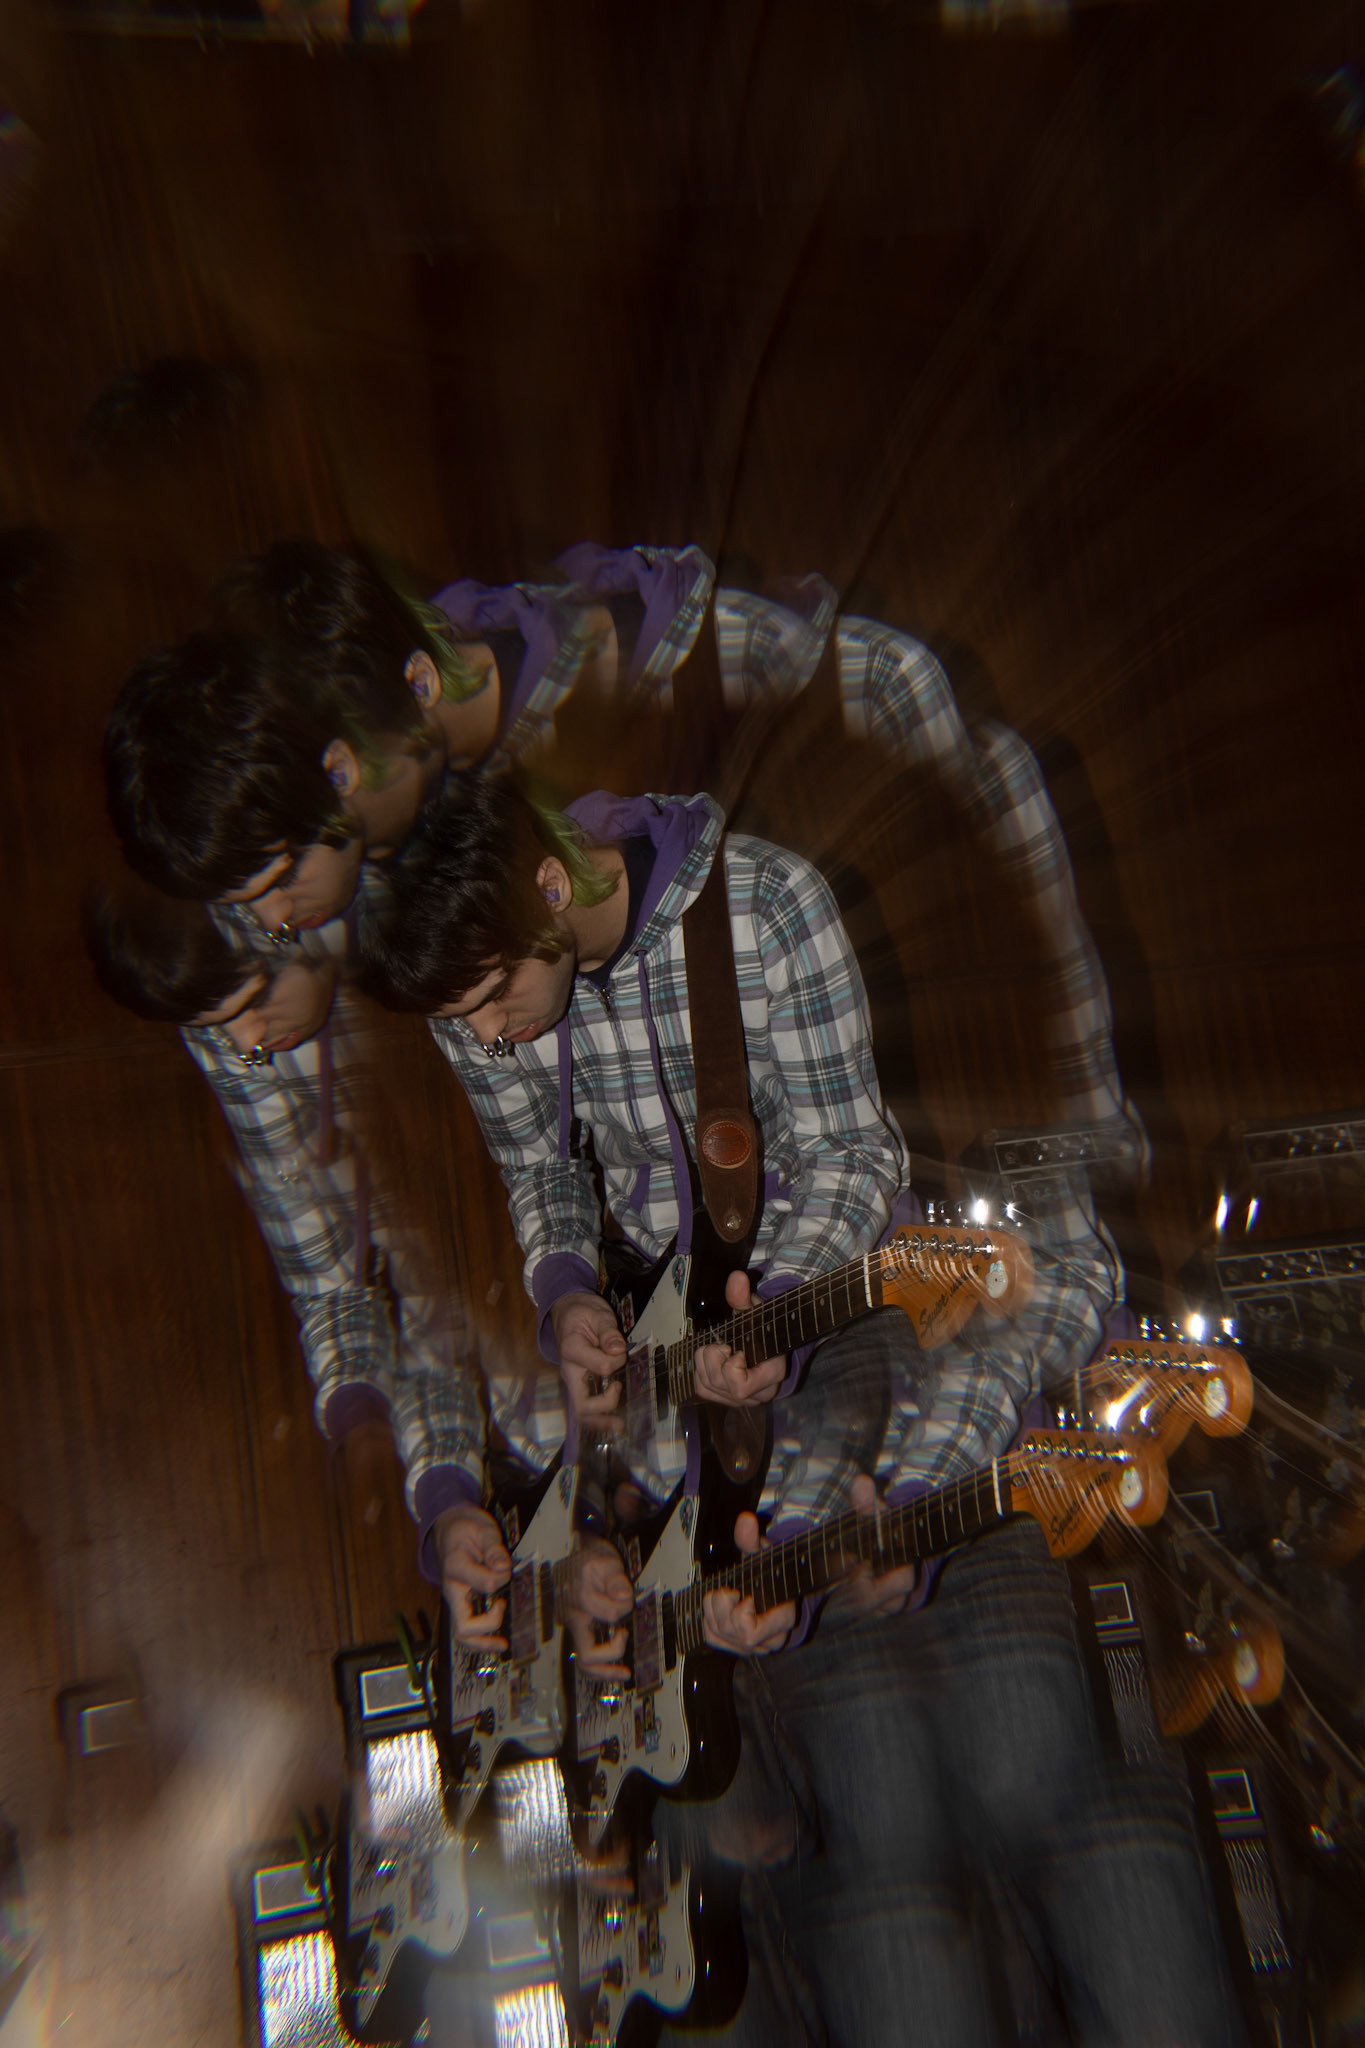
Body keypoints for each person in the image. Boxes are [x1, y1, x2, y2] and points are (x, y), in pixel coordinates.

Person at [359, 750, 1240, 2048]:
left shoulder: (763, 906)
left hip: (859, 1312)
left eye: (495, 997)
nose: (487, 1037)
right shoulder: (470, 981)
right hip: (704, 1402)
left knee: (1034, 1751)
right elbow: (537, 1172)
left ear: (548, 885)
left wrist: (770, 1297)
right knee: (877, 1849)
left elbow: (851, 1153)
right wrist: (568, 1292)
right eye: (462, 1020)